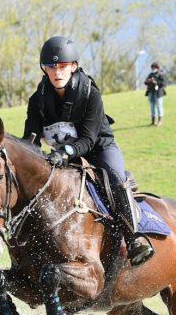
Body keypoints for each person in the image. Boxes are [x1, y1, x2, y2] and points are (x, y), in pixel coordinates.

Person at [23, 36, 155, 266]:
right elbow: (30, 139)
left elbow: (88, 139)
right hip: (61, 155)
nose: (57, 72)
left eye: (63, 66)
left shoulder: (90, 93)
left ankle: (134, 238)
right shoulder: (37, 100)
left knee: (116, 178)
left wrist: (64, 152)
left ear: (73, 66)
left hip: (98, 148)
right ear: (44, 69)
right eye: (52, 67)